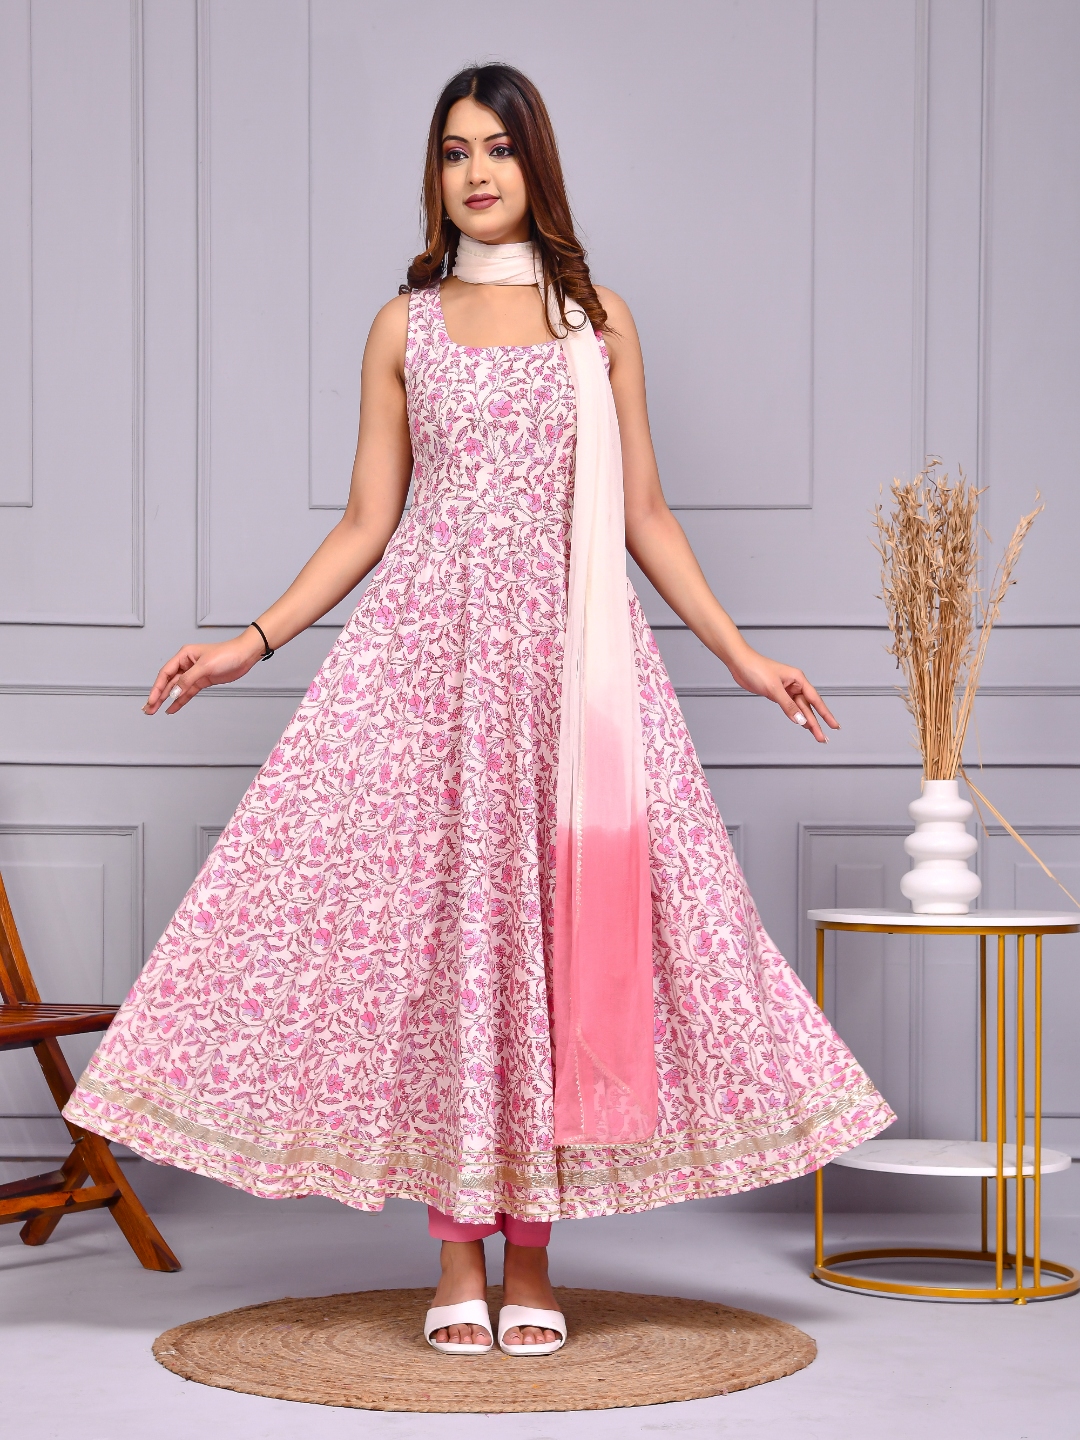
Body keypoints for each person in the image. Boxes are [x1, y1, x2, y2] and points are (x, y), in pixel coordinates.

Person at [64, 63, 893, 1358]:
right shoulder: (406, 325)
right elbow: (366, 521)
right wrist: (247, 643)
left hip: (573, 676)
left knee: (559, 949)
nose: (477, 172)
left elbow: (644, 513)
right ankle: (456, 1253)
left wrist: (739, 654)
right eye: (455, 151)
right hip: (427, 672)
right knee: (450, 948)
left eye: (498, 148)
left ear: (535, 163)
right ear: (436, 175)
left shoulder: (596, 322)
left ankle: (537, 1258)